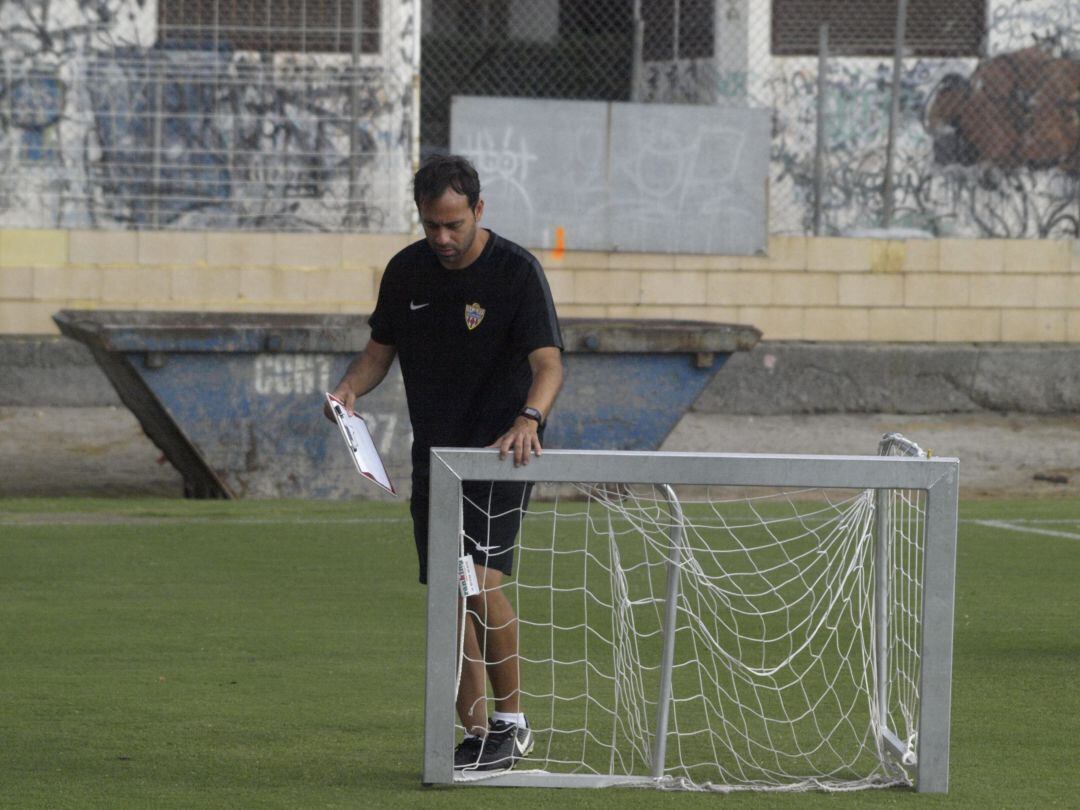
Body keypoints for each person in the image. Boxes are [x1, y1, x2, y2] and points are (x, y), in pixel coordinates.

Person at [324, 155, 564, 772]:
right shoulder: (407, 272)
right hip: (437, 461)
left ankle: (512, 722)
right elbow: (379, 353)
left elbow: (549, 364)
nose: (442, 238)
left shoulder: (516, 272)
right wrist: (349, 390)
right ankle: (478, 734)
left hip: (499, 455)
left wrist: (528, 419)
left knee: (480, 583)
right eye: (431, 225)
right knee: (448, 601)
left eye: (453, 224)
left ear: (478, 210)